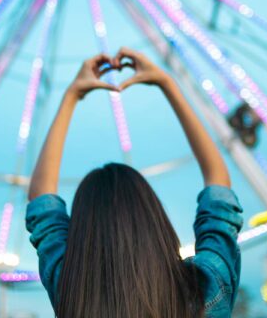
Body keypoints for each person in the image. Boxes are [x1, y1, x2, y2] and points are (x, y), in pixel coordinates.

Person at [26, 47, 243, 318]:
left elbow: (41, 201)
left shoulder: (71, 289)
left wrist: (72, 96)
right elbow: (218, 183)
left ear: (82, 232)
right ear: (154, 219)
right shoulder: (206, 288)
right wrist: (167, 83)